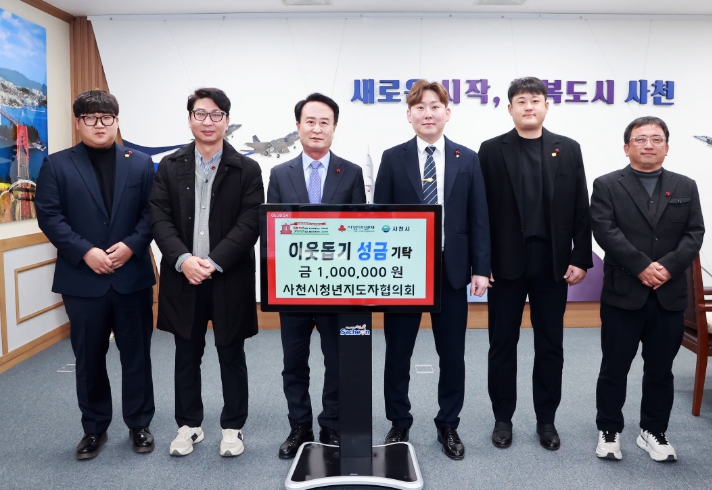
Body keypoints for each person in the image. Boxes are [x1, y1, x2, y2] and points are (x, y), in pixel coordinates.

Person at [36, 90, 156, 459]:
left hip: (131, 275)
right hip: (82, 279)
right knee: (88, 358)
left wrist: (132, 245)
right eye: (90, 118)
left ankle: (139, 423)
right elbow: (50, 216)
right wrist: (85, 251)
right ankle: (94, 428)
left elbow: (153, 212)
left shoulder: (141, 164)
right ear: (78, 122)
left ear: (117, 121)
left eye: (106, 118)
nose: (99, 125)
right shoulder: (57, 164)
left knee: (137, 354)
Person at [374, 80, 490, 460]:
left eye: (435, 106)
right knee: (398, 353)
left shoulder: (467, 158)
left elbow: (479, 218)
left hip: (451, 270)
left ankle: (448, 424)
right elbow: (380, 219)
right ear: (409, 115)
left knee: (452, 354)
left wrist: (480, 268)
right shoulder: (393, 158)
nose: (428, 113)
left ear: (447, 113)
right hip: (404, 271)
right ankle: (399, 422)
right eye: (420, 107)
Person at [478, 77, 592, 451]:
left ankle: (547, 420)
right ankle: (502, 419)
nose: (529, 106)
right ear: (510, 108)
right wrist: (482, 260)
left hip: (552, 262)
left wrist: (580, 257)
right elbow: (481, 211)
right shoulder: (491, 150)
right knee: (501, 344)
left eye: (536, 100)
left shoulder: (568, 149)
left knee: (550, 344)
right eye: (522, 100)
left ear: (546, 106)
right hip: (505, 263)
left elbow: (581, 207)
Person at [149, 88, 264, 457]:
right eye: (200, 113)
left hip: (228, 275)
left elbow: (250, 223)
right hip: (183, 275)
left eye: (216, 114)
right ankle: (189, 426)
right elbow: (159, 218)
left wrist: (212, 262)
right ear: (190, 119)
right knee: (186, 353)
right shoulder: (170, 165)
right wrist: (183, 259)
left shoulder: (247, 168)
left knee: (231, 353)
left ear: (227, 121)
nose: (208, 121)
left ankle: (233, 428)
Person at [591, 116, 704, 462]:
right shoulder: (607, 184)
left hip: (669, 296)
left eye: (656, 139)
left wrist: (667, 267)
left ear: (667, 147)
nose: (649, 144)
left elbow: (694, 233)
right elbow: (604, 230)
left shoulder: (685, 186)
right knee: (614, 367)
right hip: (623, 293)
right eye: (640, 139)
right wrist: (641, 266)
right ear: (627, 147)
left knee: (660, 369)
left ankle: (653, 430)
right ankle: (609, 429)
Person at [267, 93, 366, 459]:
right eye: (310, 121)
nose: (317, 128)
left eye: (325, 122)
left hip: (336, 287)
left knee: (337, 361)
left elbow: (360, 229)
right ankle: (299, 426)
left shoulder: (351, 172)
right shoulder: (280, 174)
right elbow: (271, 230)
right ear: (298, 126)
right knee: (293, 363)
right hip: (293, 287)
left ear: (334, 128)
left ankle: (331, 424)